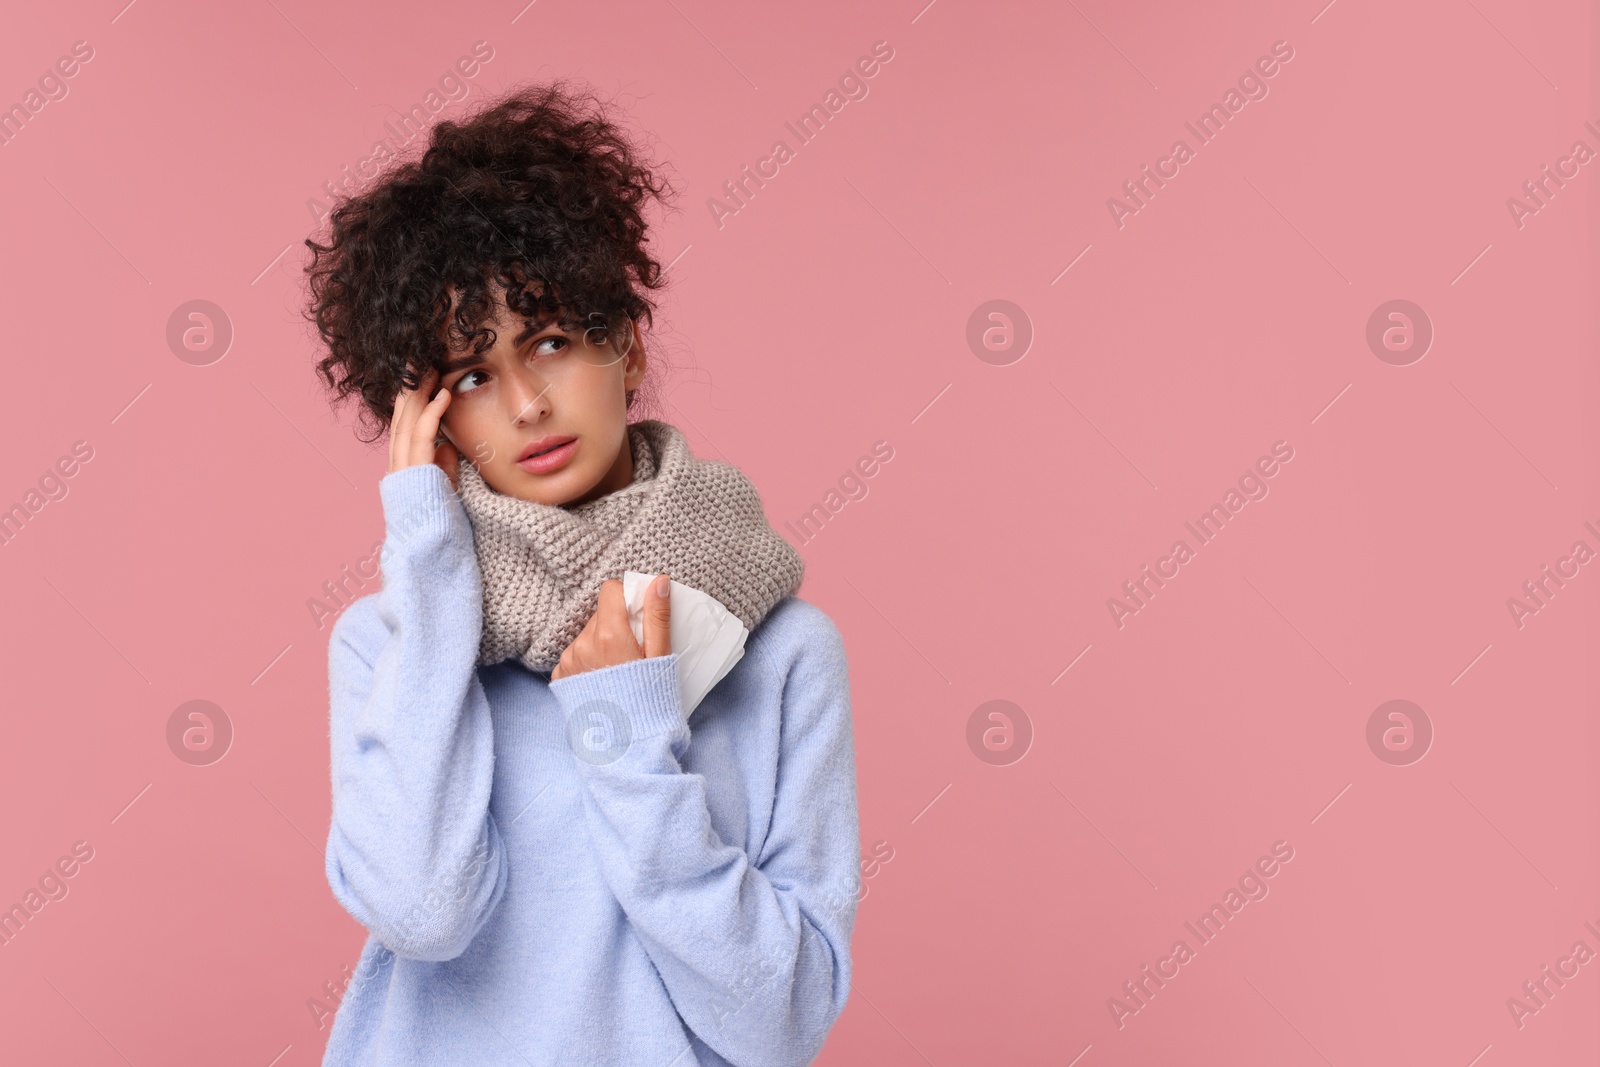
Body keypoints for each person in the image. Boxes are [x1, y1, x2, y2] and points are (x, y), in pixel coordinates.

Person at [301, 78, 860, 1066]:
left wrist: (629, 730)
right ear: (426, 415)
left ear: (626, 342)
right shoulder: (390, 640)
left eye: (551, 342)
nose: (523, 403)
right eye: (470, 373)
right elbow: (423, 910)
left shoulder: (780, 652)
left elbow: (779, 1026)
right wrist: (432, 585)